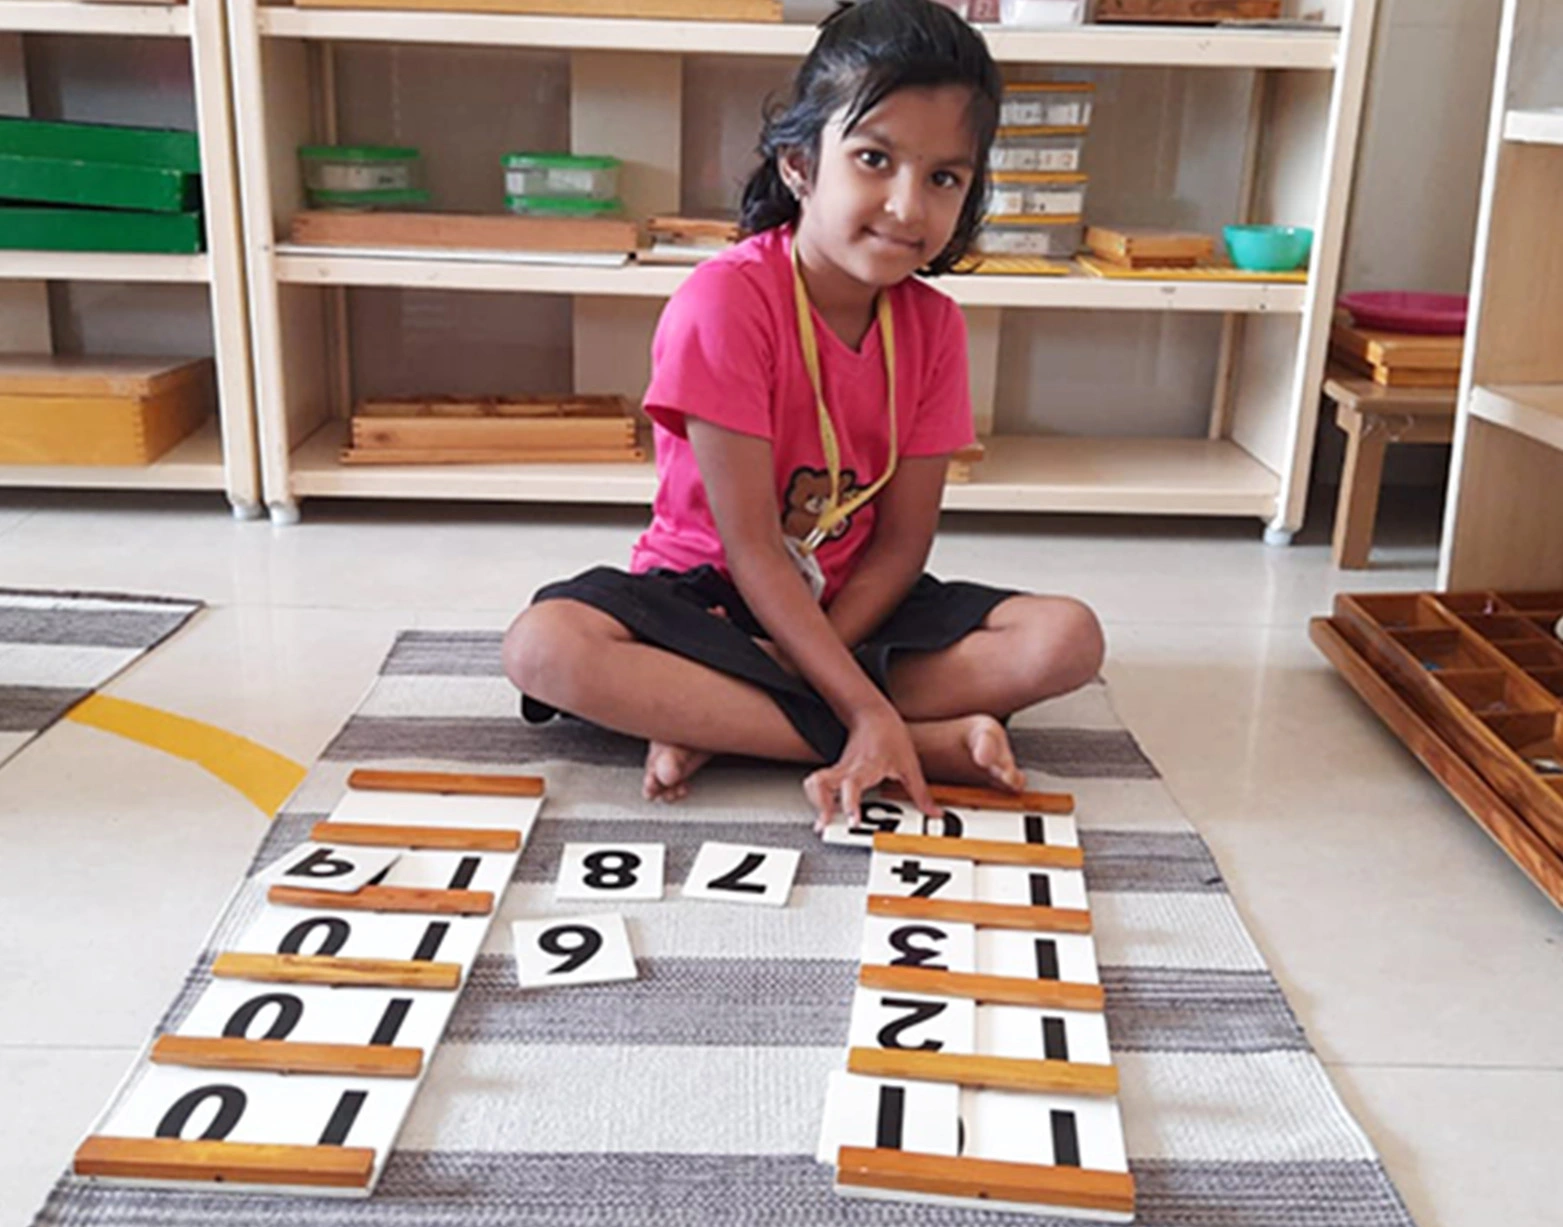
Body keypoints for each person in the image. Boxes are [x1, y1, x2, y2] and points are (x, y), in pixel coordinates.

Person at [504, 0, 1103, 830]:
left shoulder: (934, 326)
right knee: (544, 647)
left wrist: (816, 657)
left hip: (849, 605)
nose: (906, 206)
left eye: (943, 178)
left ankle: (719, 716)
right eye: (873, 159)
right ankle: (912, 741)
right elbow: (752, 547)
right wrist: (862, 704)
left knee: (1065, 638)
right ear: (798, 165)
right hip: (708, 598)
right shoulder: (724, 302)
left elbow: (901, 544)